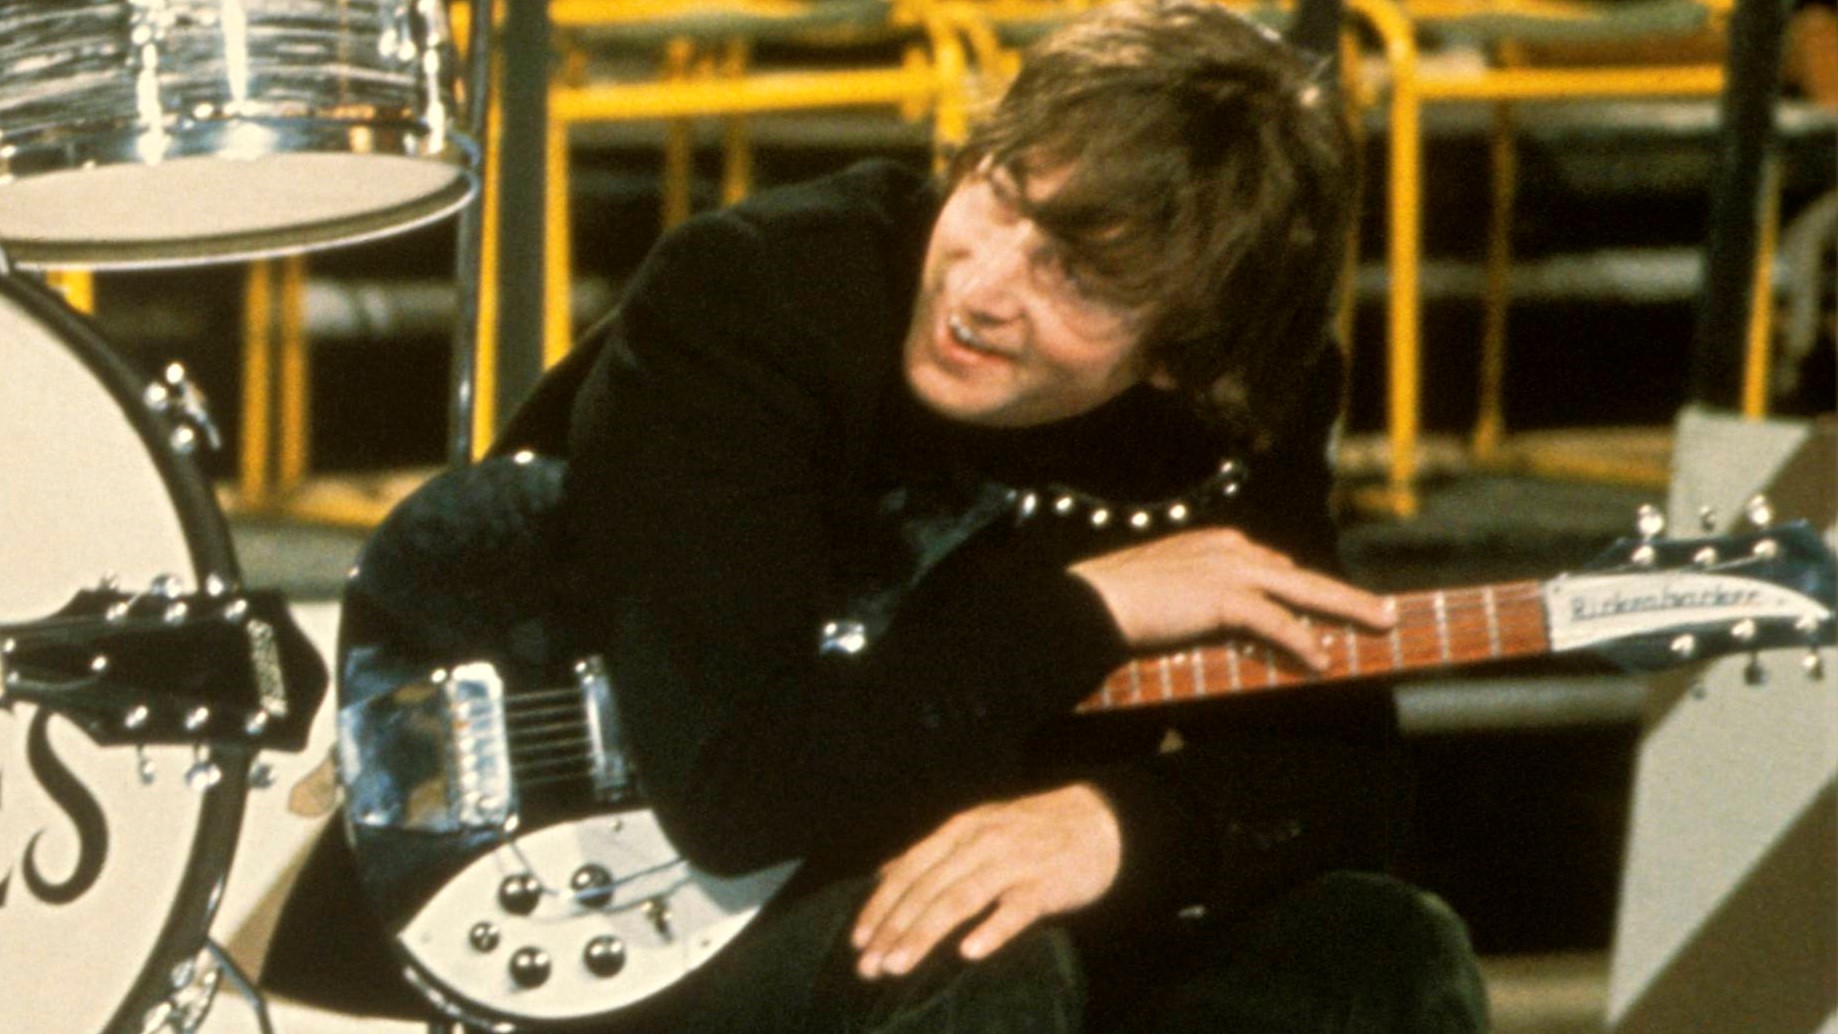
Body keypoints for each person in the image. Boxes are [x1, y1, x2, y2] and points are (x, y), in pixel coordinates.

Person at [265, 1, 1490, 1029]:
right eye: (999, 194)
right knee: (976, 953)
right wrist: (1091, 608)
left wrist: (1122, 823)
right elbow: (739, 788)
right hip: (603, 900)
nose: (982, 286)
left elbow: (1344, 772)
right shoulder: (758, 297)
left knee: (1379, 946)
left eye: (1075, 274)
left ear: (1188, 352)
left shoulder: (1242, 404)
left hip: (932, 876)